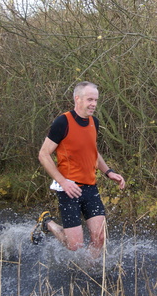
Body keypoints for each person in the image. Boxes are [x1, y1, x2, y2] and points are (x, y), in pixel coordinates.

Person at [35, 81, 126, 258]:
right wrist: (63, 182)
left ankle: (89, 275)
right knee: (75, 245)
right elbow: (43, 154)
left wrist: (109, 172)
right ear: (78, 99)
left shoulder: (94, 122)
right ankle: (47, 223)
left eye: (96, 100)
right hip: (69, 188)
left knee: (99, 238)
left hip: (90, 186)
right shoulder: (63, 122)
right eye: (89, 99)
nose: (93, 104)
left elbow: (92, 151)